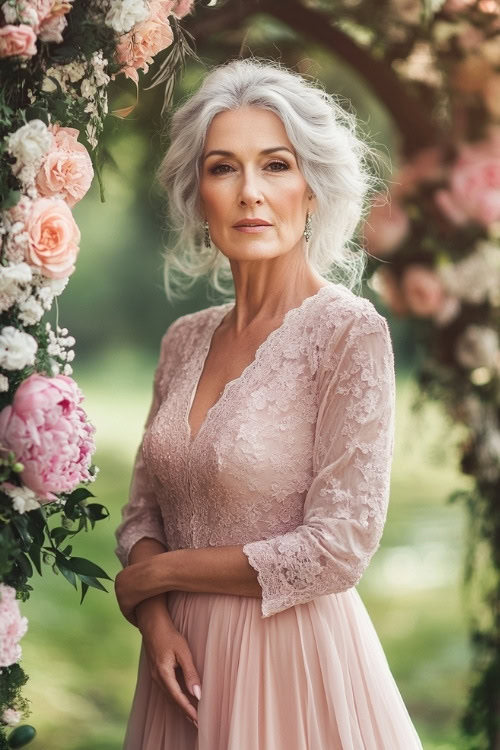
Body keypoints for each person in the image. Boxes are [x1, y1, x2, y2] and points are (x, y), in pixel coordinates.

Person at [113, 57, 424, 749]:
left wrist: (155, 577)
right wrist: (156, 619)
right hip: (178, 672)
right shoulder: (183, 340)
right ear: (200, 195)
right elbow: (142, 513)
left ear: (311, 188)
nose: (250, 191)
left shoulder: (349, 332)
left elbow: (338, 548)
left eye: (276, 165)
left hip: (292, 666)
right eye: (224, 168)